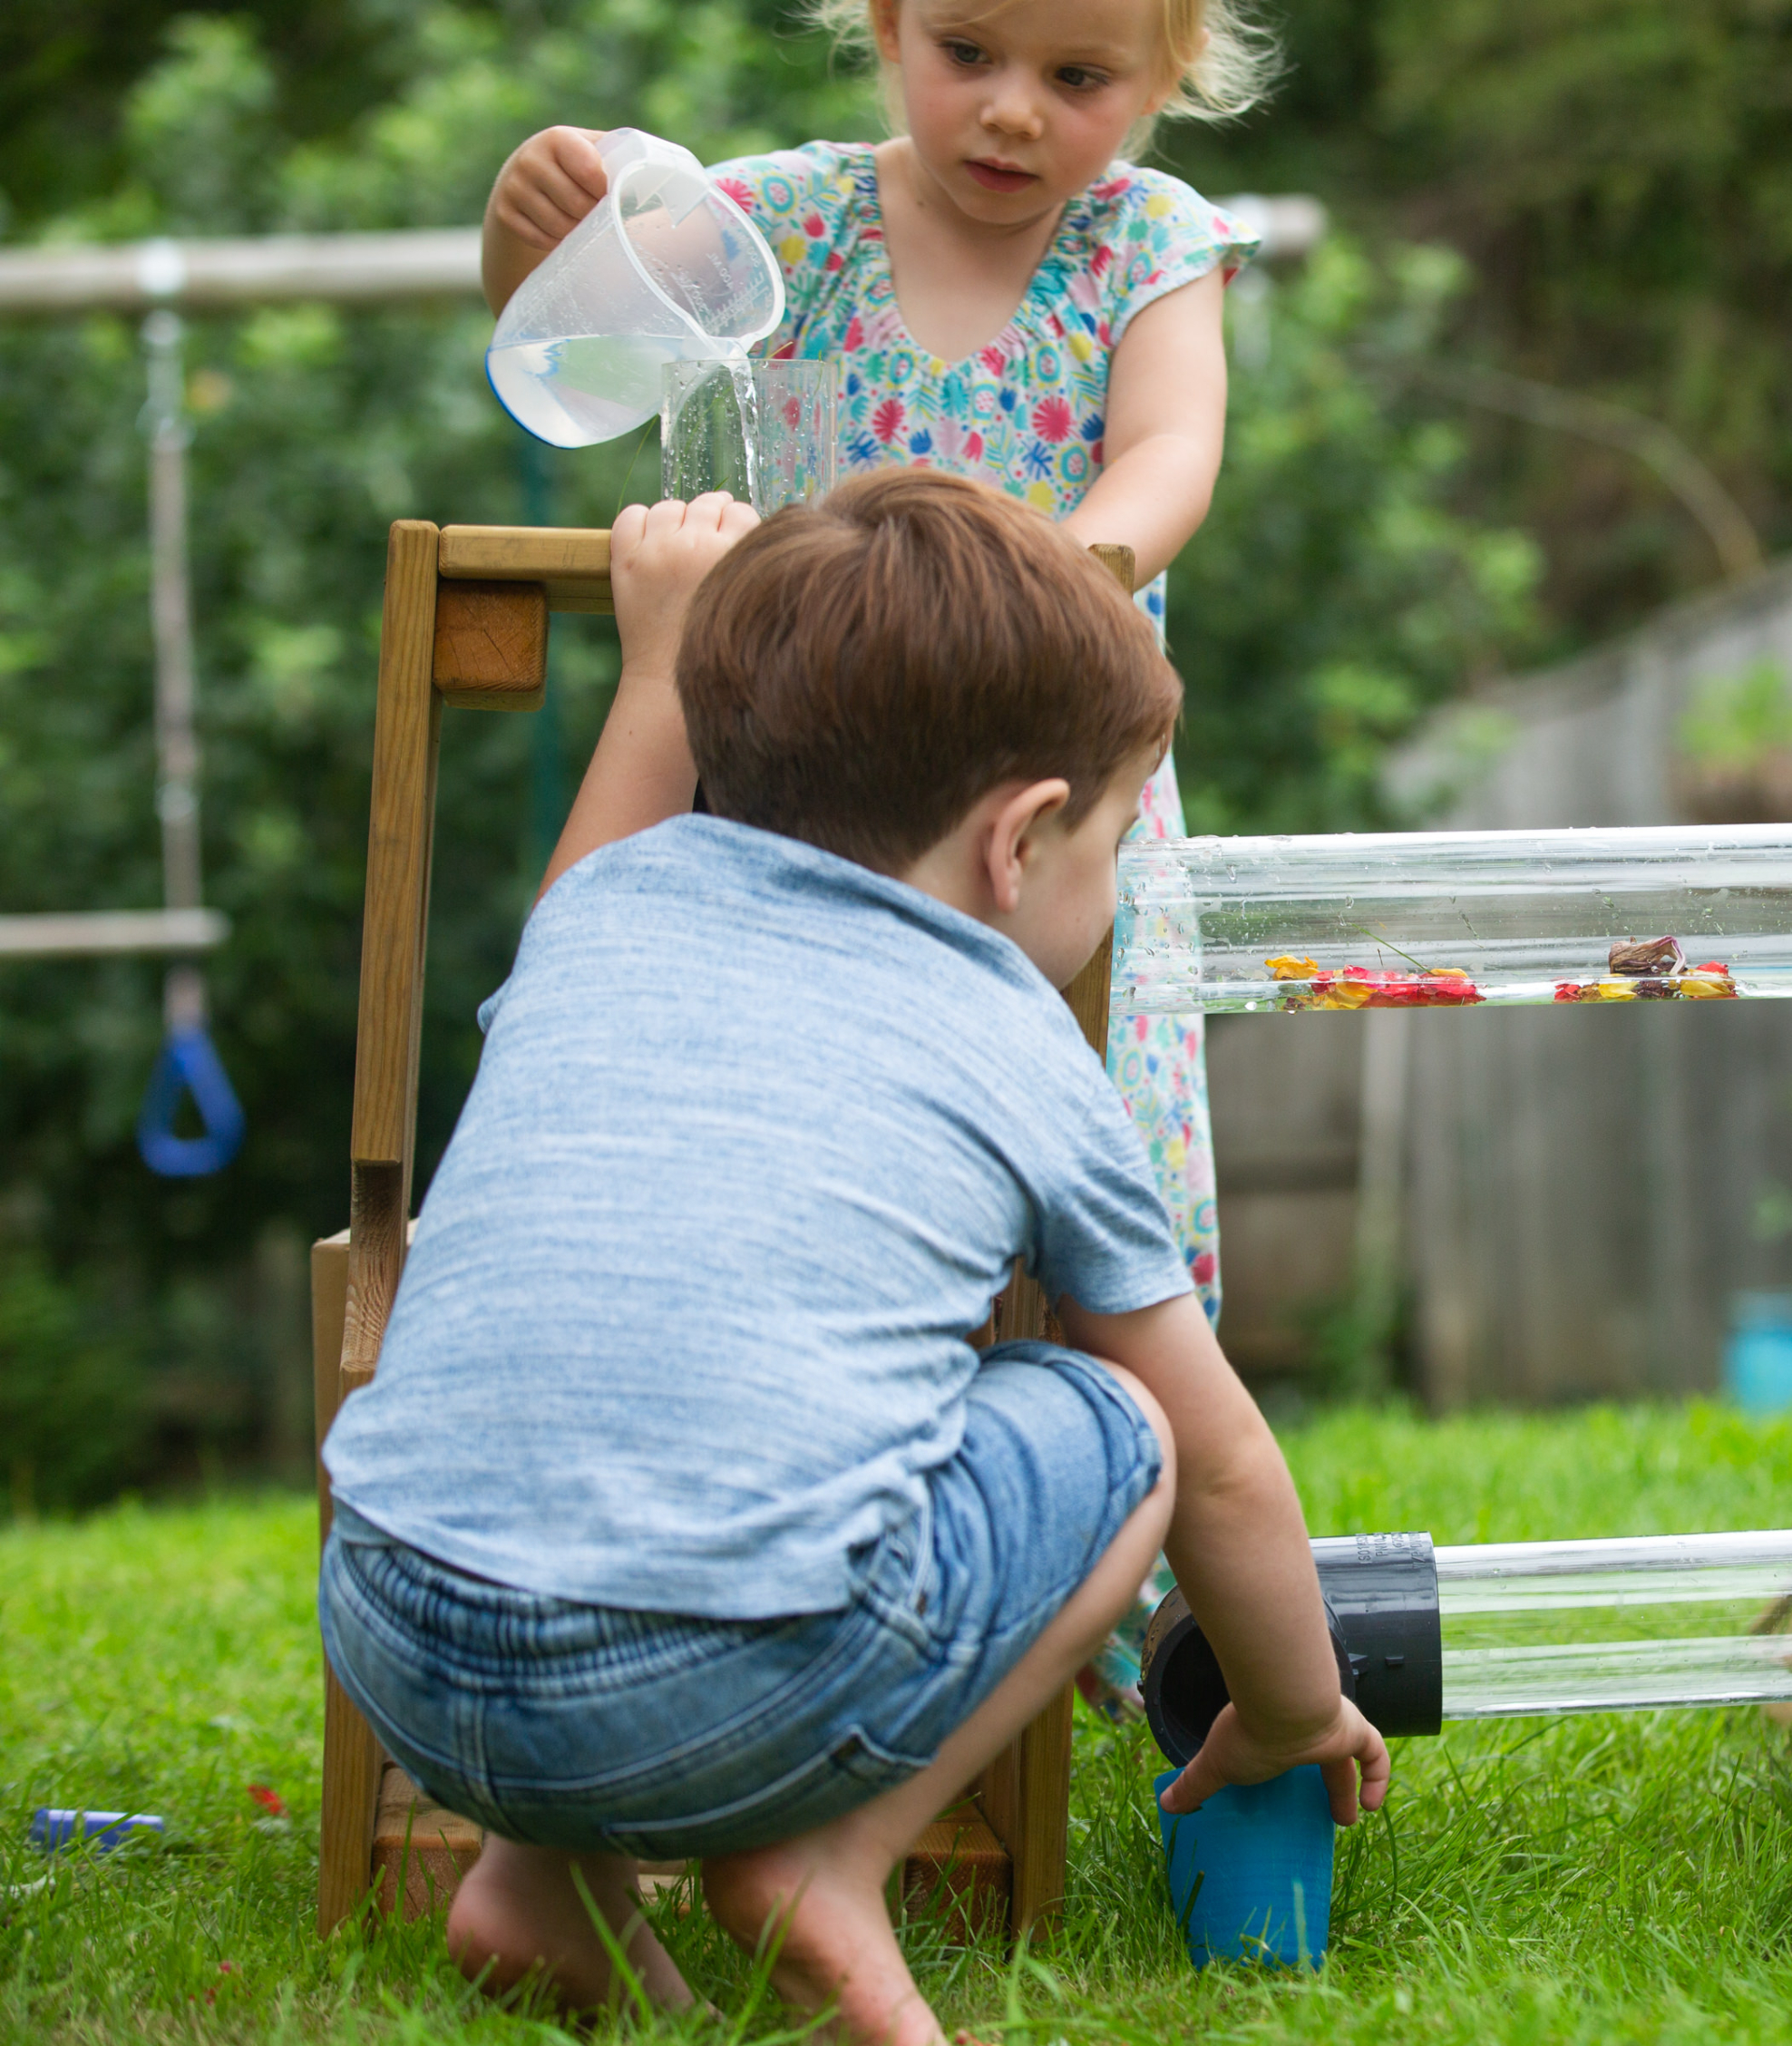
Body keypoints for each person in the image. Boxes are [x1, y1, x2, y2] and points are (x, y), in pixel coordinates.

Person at [317, 475, 1387, 2046]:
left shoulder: (601, 916)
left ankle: (540, 1882)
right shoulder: (1017, 1041)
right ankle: (826, 1862)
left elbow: (585, 877)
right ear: (1022, 838)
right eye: (1116, 844)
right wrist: (1292, 1713)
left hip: (396, 1635)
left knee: (632, 1399)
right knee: (1127, 1425)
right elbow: (1223, 1469)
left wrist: (657, 660)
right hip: (716, 1694)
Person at [480, 0, 1277, 1325]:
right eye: (970, 53)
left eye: (1076, 76)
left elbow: (1170, 454)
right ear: (893, 24)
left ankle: (1138, 1430)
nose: (1013, 108)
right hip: (809, 787)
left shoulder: (1149, 243)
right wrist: (530, 236)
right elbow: (588, 307)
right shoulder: (785, 223)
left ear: (1163, 76)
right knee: (803, 1116)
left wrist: (1048, 588)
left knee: (1089, 1117)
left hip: (1054, 794)